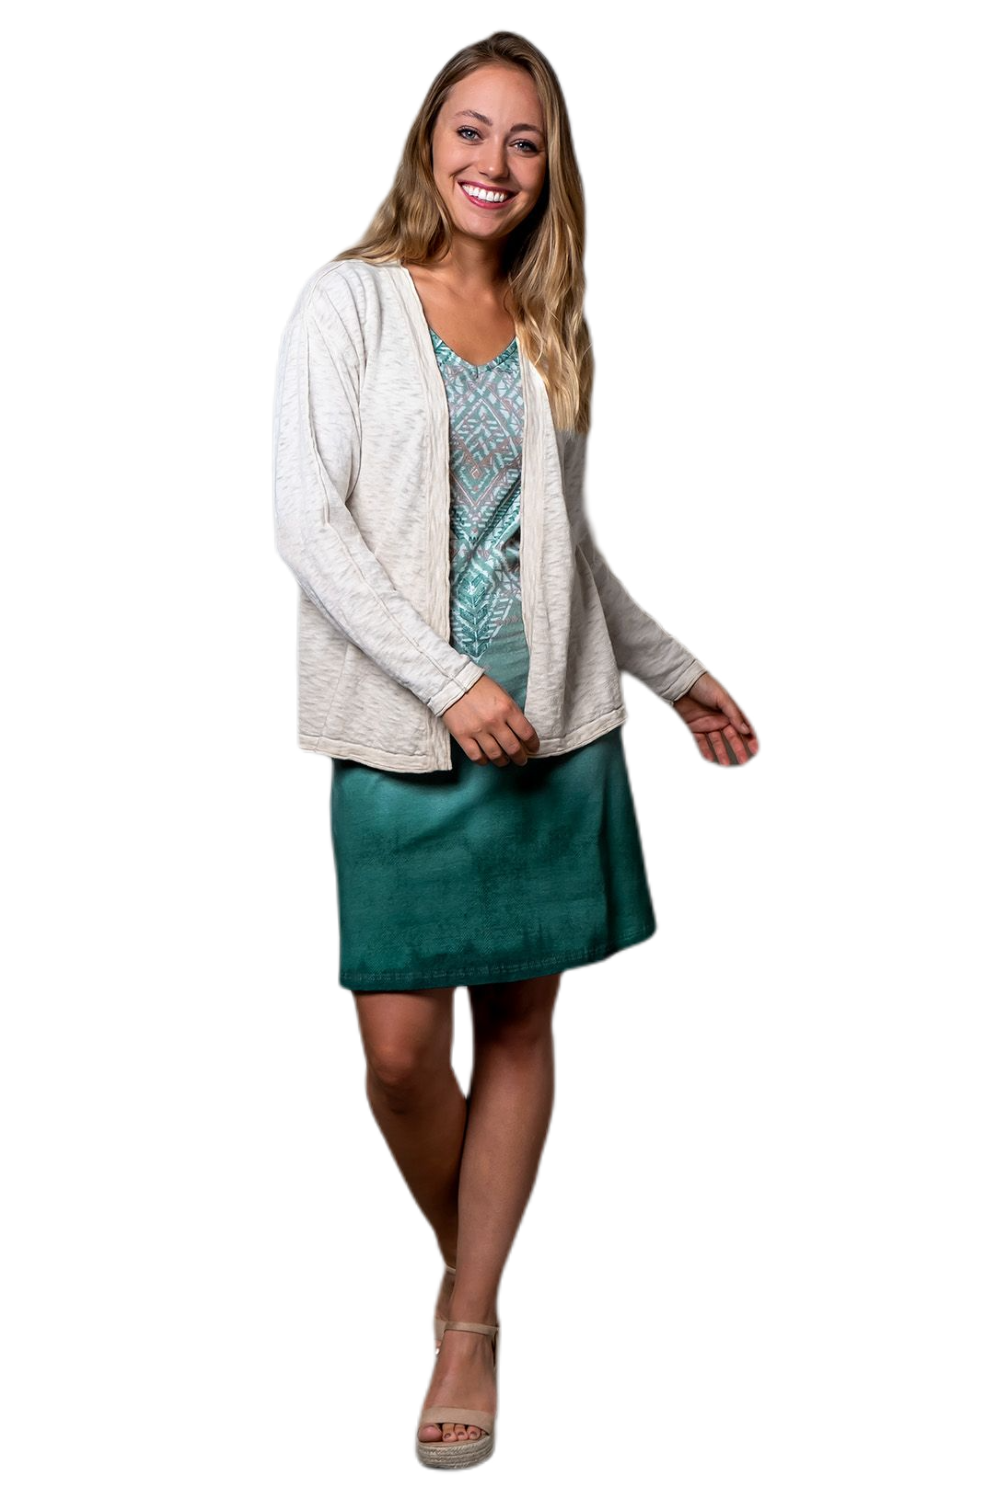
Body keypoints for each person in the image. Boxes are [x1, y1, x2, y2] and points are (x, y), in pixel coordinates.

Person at [272, 30, 758, 1470]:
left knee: (521, 1029)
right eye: (473, 131)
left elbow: (564, 550)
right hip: (403, 736)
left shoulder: (553, 326)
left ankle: (468, 1323)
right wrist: (443, 685)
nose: (495, 162)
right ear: (431, 140)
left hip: (551, 734)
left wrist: (676, 673)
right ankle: (471, 1260)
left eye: (526, 140)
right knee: (398, 1058)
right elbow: (307, 522)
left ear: (553, 168)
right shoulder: (350, 302)